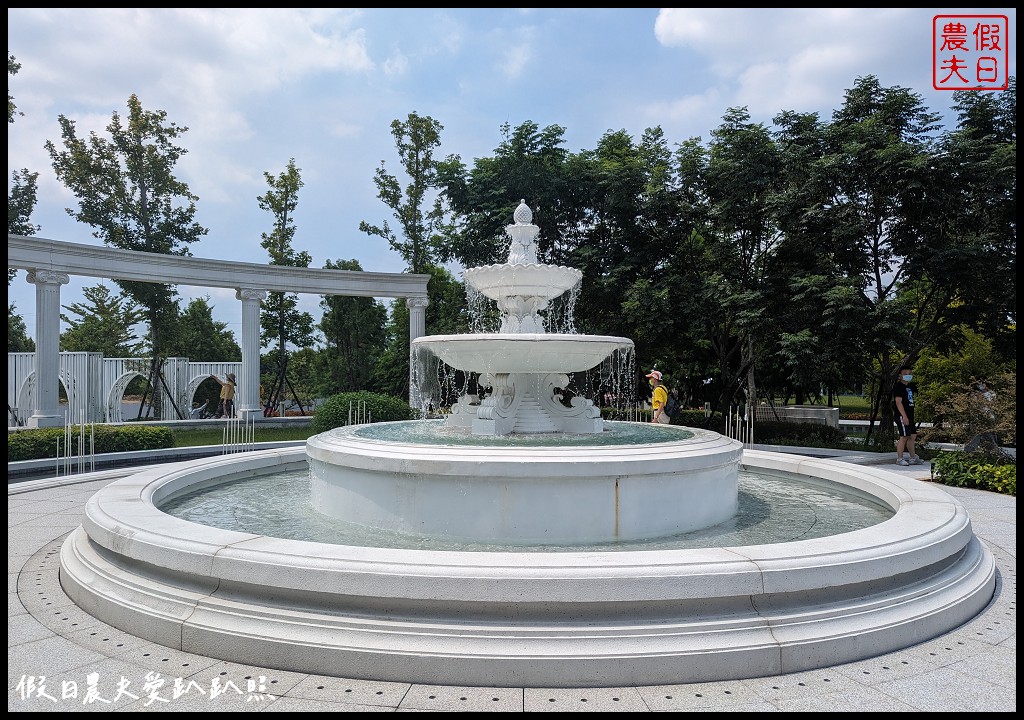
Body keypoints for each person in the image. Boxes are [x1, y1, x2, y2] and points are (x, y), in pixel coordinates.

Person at [891, 365, 921, 466]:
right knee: (904, 436)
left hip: (910, 414)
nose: (908, 376)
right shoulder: (899, 387)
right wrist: (904, 416)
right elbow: (898, 402)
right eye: (905, 374)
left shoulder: (909, 387)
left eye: (909, 374)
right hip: (902, 415)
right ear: (900, 375)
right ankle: (900, 458)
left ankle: (913, 457)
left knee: (912, 436)